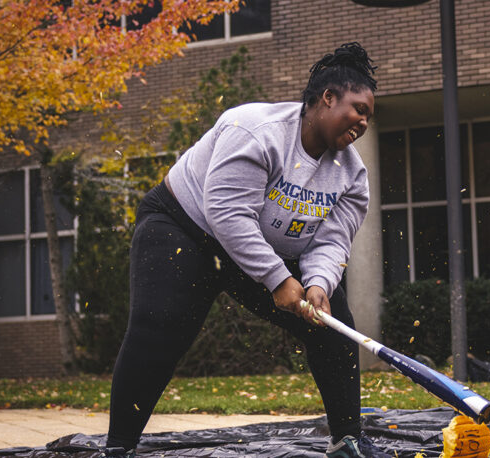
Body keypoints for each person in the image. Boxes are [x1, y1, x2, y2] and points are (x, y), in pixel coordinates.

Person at [103, 42, 388, 458]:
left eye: (369, 115)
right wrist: (279, 280)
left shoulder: (352, 174)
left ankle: (348, 441)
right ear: (328, 98)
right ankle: (117, 449)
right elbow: (228, 214)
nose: (363, 121)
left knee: (332, 328)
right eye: (358, 108)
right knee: (158, 326)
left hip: (262, 246)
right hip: (184, 226)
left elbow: (331, 239)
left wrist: (317, 283)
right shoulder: (255, 130)